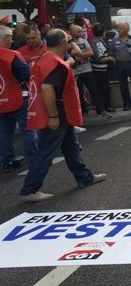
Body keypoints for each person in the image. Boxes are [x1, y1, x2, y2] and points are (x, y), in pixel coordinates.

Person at [20, 29, 106, 202]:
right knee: (46, 151)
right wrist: (53, 116)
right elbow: (47, 88)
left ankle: (84, 177)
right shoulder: (55, 63)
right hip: (57, 111)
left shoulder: (45, 59)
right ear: (62, 43)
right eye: (66, 40)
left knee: (71, 146)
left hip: (60, 112)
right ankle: (30, 188)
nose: (68, 43)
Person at [0, 26, 37, 171]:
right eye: (10, 36)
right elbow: (26, 74)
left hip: (1, 98)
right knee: (28, 128)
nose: (12, 39)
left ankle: (7, 160)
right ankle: (33, 157)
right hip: (18, 96)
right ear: (5, 38)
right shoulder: (11, 55)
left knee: (4, 131)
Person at [68, 24, 108, 117]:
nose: (81, 33)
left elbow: (91, 52)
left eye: (81, 31)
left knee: (94, 90)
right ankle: (82, 109)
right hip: (75, 72)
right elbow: (74, 57)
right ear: (72, 32)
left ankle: (100, 109)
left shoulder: (84, 41)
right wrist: (83, 55)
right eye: (78, 31)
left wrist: (79, 54)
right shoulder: (68, 43)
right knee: (78, 92)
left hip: (87, 69)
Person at [110, 22, 131, 111]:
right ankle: (126, 104)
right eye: (118, 28)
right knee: (123, 85)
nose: (118, 30)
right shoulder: (115, 39)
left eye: (120, 28)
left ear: (126, 30)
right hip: (120, 64)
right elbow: (112, 51)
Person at [90, 23, 115, 113]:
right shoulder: (98, 43)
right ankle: (105, 106)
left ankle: (104, 106)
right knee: (104, 88)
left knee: (102, 88)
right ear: (103, 32)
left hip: (99, 69)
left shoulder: (96, 41)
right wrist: (110, 58)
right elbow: (99, 58)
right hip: (100, 69)